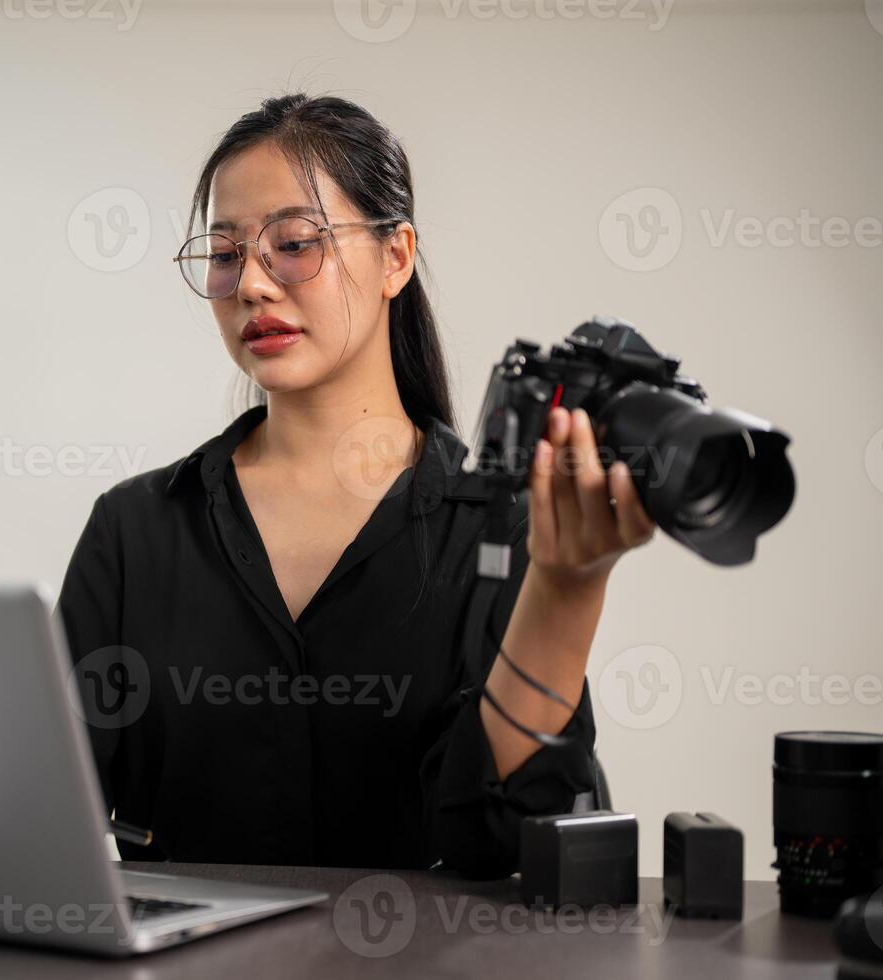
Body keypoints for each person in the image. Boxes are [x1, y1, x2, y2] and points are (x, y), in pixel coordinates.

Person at [56, 93, 656, 877]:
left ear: (395, 257)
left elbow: (509, 841)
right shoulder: (135, 530)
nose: (253, 286)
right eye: (227, 252)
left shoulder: (502, 529)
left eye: (295, 243)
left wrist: (569, 589)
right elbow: (43, 810)